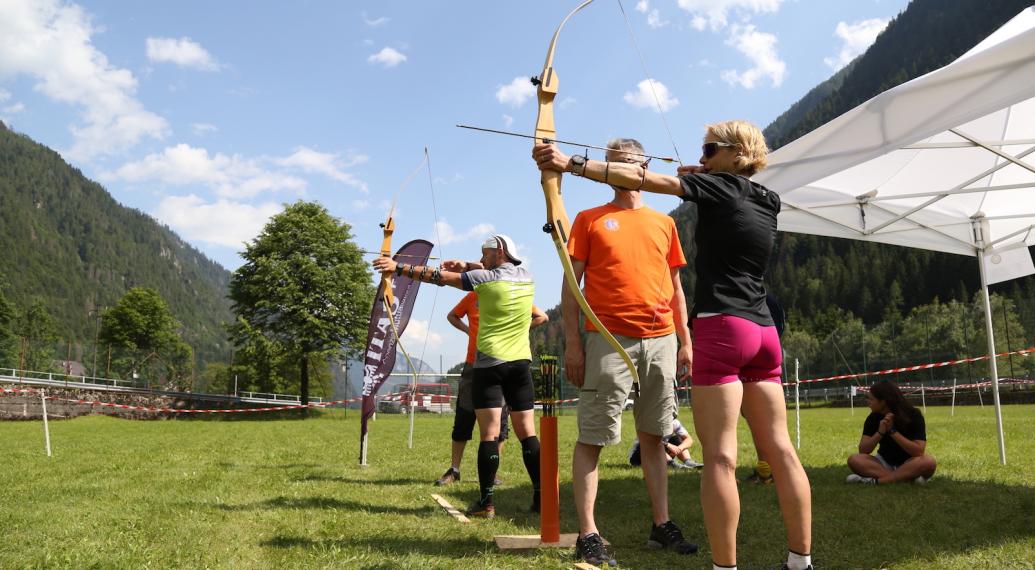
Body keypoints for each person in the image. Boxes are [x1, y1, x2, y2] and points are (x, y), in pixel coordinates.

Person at [535, 120, 813, 570]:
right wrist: (705, 172)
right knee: (779, 448)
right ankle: (801, 562)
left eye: (707, 150)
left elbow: (652, 188)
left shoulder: (702, 197)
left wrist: (571, 164)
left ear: (733, 153)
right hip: (763, 331)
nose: (700, 158)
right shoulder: (767, 198)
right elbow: (575, 284)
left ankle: (717, 560)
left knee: (720, 456)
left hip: (721, 328)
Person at [535, 138, 699, 566]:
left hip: (661, 339)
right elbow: (573, 285)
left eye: (630, 162)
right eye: (615, 163)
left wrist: (685, 341)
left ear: (644, 165)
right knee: (594, 435)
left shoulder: (664, 222)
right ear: (606, 169)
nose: (624, 169)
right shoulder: (589, 220)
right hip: (607, 340)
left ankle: (661, 525)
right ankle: (587, 532)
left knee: (655, 434)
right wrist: (573, 341)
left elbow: (676, 287)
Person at [373, 234, 541, 519]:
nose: (481, 258)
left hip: (488, 365)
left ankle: (486, 503)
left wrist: (397, 267)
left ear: (498, 252)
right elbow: (492, 268)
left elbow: (437, 277)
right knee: (528, 432)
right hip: (520, 365)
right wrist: (467, 263)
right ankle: (541, 499)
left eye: (484, 254)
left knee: (488, 434)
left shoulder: (483, 281)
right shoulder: (526, 276)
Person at [434, 291, 548, 487]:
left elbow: (542, 317)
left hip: (502, 365)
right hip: (473, 364)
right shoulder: (473, 296)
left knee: (500, 424)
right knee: (463, 417)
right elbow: (452, 315)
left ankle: (491, 472)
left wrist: (519, 330)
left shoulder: (512, 293)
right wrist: (468, 330)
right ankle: (454, 469)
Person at [846, 381, 937, 485]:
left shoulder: (914, 415)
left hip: (910, 462)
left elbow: (918, 452)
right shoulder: (873, 417)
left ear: (883, 401)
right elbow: (863, 450)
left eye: (871, 399)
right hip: (883, 462)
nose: (868, 402)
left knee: (928, 462)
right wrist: (880, 432)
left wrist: (892, 431)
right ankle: (905, 478)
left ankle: (876, 481)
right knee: (854, 459)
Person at [629, 416, 703, 469]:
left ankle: (688, 462)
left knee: (678, 439)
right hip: (639, 455)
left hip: (661, 453)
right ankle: (671, 464)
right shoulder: (652, 421)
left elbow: (689, 439)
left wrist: (679, 448)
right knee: (654, 444)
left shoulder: (674, 422)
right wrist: (669, 445)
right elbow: (650, 440)